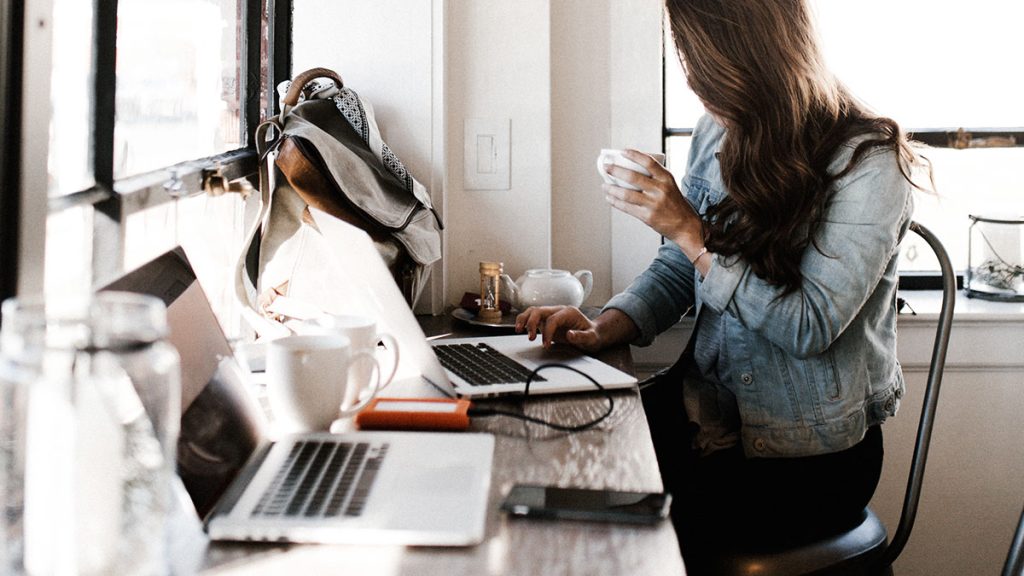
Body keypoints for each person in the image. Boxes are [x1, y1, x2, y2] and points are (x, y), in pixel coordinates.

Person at [515, 0, 929, 564]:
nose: (696, 87)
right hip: (706, 415)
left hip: (806, 458)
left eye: (702, 68)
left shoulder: (869, 163)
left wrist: (691, 232)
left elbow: (808, 327)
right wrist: (604, 326)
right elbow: (677, 267)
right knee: (550, 455)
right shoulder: (719, 131)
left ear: (754, 57)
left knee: (616, 530)